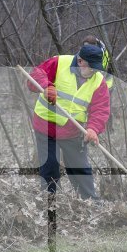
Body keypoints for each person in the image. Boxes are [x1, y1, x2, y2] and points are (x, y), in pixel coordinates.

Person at [27, 44, 110, 200]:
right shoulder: (59, 63)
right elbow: (34, 77)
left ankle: (90, 202)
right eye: (91, 67)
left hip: (73, 132)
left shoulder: (98, 81)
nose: (94, 72)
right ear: (80, 61)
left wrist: (93, 129)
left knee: (81, 169)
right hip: (46, 127)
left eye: (97, 68)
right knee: (50, 166)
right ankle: (49, 201)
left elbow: (101, 109)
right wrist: (46, 87)